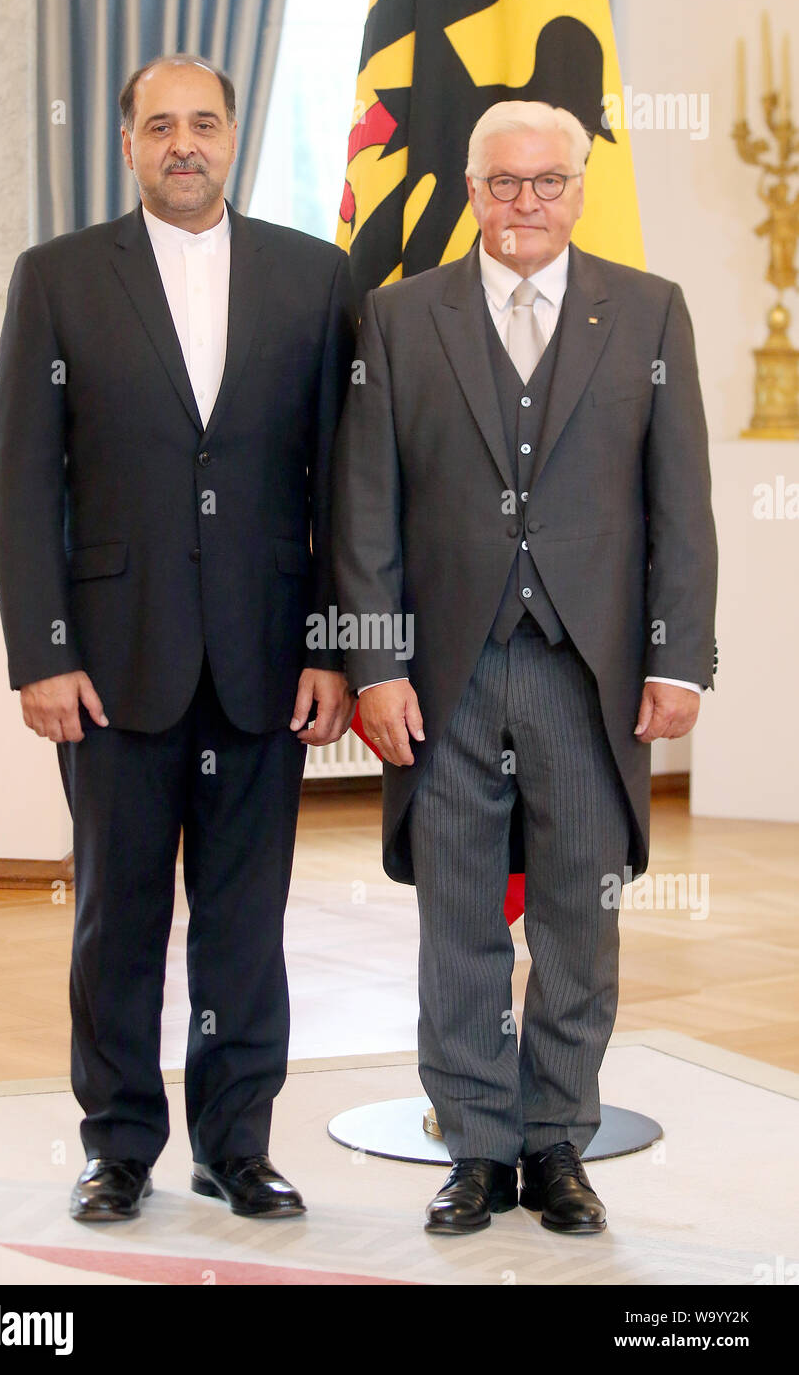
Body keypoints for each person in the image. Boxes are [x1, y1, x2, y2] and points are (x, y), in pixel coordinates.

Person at [334, 100, 716, 1237]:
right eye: (504, 183)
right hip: (441, 676)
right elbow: (364, 511)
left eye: (548, 182)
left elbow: (679, 507)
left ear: (580, 191)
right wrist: (372, 666)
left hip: (584, 674)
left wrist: (679, 659)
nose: (526, 203)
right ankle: (474, 1148)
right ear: (470, 190)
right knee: (456, 919)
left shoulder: (648, 311)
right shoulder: (399, 318)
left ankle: (557, 1143)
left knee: (575, 922)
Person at [0, 55, 356, 1223]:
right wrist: (42, 650)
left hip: (266, 658)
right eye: (160, 125)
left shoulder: (316, 278)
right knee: (116, 919)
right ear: (129, 143)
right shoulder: (56, 279)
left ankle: (236, 1144)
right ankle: (117, 1146)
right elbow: (22, 481)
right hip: (109, 663)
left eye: (203, 122)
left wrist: (335, 645)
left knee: (247, 923)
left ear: (233, 137)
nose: (182, 142)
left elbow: (345, 484)